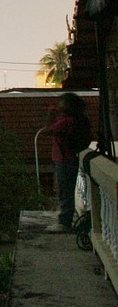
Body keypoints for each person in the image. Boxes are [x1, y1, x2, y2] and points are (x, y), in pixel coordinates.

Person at [48, 92, 91, 231]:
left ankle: (64, 222)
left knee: (65, 191)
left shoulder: (67, 121)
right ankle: (65, 219)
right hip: (68, 159)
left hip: (64, 160)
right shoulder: (73, 120)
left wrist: (50, 115)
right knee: (65, 190)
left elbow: (49, 129)